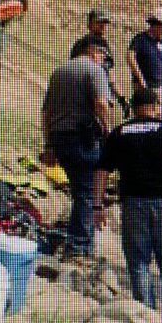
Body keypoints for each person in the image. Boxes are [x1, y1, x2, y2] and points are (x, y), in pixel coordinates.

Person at [91, 88, 162, 323]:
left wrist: (97, 205)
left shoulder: (119, 133)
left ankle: (146, 314)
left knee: (138, 260)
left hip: (133, 202)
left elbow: (101, 172)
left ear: (134, 108)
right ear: (154, 106)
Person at [41, 35, 114, 258]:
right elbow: (101, 104)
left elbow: (46, 113)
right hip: (83, 139)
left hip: (60, 139)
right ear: (94, 51)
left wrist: (49, 144)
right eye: (104, 55)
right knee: (87, 193)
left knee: (78, 191)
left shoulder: (58, 72)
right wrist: (107, 130)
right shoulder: (94, 71)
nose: (105, 61)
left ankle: (76, 241)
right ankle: (78, 247)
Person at [71, 8, 129, 117]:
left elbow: (110, 75)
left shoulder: (105, 45)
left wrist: (120, 98)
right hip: (87, 93)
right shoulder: (82, 43)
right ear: (90, 24)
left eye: (104, 23)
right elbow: (75, 69)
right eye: (98, 22)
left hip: (104, 92)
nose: (102, 26)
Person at [127, 7, 162, 92]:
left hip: (158, 86)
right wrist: (140, 78)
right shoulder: (140, 39)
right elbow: (130, 57)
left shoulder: (160, 42)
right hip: (143, 85)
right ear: (156, 24)